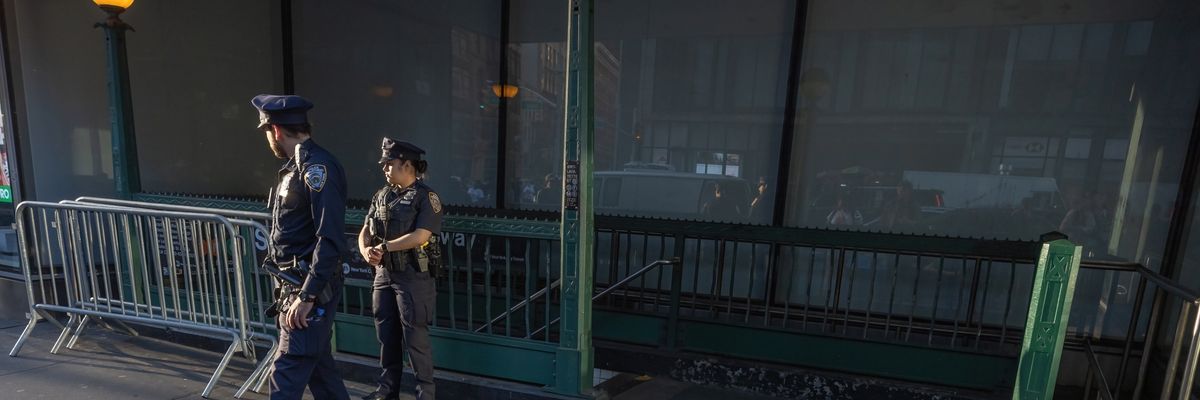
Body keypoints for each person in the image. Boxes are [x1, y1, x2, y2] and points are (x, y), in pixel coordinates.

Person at [252, 94, 350, 400]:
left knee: (286, 373)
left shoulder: (317, 168)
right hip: (295, 283)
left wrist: (307, 295)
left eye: (267, 133)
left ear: (276, 130)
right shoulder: (295, 168)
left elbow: (329, 238)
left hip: (307, 286)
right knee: (322, 376)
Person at [358, 138, 444, 400]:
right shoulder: (381, 195)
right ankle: (387, 391)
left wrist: (384, 247)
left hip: (413, 278)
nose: (384, 169)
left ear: (407, 165)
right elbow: (365, 229)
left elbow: (421, 235)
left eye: (389, 164)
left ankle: (425, 394)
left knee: (415, 339)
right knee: (386, 336)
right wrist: (365, 251)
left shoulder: (426, 197)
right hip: (384, 275)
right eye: (384, 164)